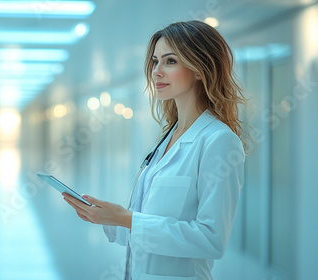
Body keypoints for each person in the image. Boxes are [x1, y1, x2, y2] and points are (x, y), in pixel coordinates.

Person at [62, 20, 250, 280]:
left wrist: (128, 219)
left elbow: (211, 239)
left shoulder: (218, 141)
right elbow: (152, 224)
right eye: (155, 61)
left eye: (170, 61)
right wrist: (109, 218)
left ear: (200, 68)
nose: (156, 72)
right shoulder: (168, 137)